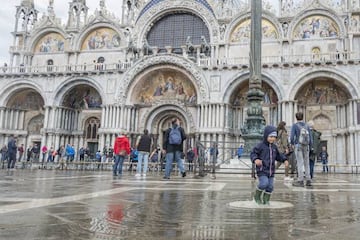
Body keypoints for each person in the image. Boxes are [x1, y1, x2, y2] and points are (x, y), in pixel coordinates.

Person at [250, 125, 288, 205]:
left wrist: (284, 160)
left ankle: (266, 200)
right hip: (262, 170)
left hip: (271, 171)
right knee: (264, 183)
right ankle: (257, 196)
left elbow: (278, 156)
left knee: (270, 187)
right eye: (270, 136)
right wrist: (255, 159)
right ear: (266, 136)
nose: (272, 139)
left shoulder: (274, 147)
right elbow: (253, 153)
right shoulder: (260, 146)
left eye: (274, 137)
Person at [290, 112, 313, 187]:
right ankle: (308, 180)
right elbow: (311, 138)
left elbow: (292, 136)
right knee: (307, 163)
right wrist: (310, 145)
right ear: (303, 117)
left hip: (298, 145)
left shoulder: (295, 125)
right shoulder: (307, 126)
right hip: (306, 146)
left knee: (300, 163)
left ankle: (300, 180)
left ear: (296, 117)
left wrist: (292, 143)